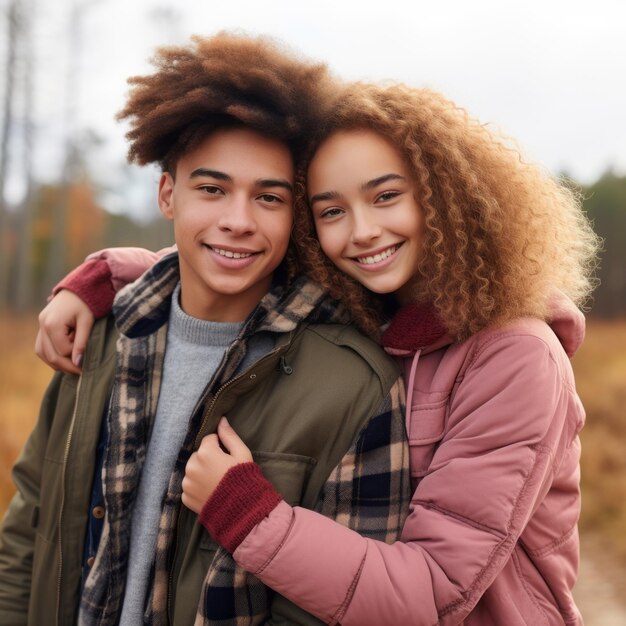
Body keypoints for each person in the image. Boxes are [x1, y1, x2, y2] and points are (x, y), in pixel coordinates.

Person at [30, 81, 598, 625]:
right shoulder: (368, 304)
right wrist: (106, 275)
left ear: (445, 194)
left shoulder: (516, 358)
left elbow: (434, 590)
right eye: (331, 211)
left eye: (386, 196)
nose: (362, 232)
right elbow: (230, 249)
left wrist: (250, 516)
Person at [0, 36, 411, 626]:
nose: (237, 221)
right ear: (168, 194)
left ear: (295, 214)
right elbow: (29, 529)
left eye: (268, 197)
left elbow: (341, 611)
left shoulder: (355, 386)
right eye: (212, 189)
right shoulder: (98, 337)